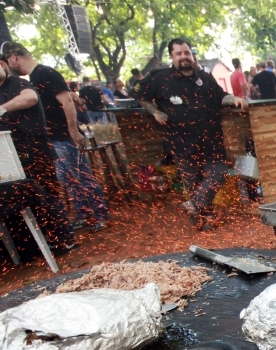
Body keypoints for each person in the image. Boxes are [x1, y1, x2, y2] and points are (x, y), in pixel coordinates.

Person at [133, 37, 249, 231]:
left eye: (186, 52)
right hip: (181, 144)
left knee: (218, 174)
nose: (183, 57)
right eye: (178, 54)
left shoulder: (205, 77)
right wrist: (154, 111)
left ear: (191, 54)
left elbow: (221, 96)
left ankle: (193, 205)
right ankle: (203, 223)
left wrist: (234, 99)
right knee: (193, 183)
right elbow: (137, 92)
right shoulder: (159, 78)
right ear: (171, 56)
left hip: (211, 141)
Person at [3, 43, 109, 231]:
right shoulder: (35, 77)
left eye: (6, 60)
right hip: (54, 139)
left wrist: (73, 131)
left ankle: (99, 216)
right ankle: (86, 216)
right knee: (70, 180)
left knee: (81, 178)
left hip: (64, 137)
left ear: (14, 58)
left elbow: (67, 102)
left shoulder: (45, 73)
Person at [0, 59, 75, 254]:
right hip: (12, 156)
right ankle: (39, 243)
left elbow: (30, 98)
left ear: (2, 64)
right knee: (31, 199)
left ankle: (64, 239)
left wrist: (3, 108)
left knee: (48, 193)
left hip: (36, 149)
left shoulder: (18, 83)